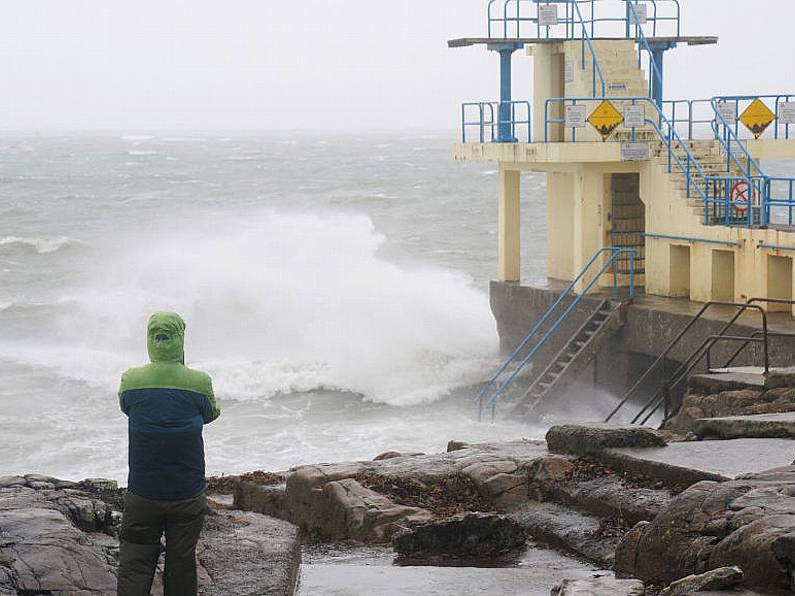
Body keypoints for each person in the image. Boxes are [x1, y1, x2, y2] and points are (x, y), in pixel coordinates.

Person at [116, 312, 220, 596]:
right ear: (180, 339)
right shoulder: (199, 382)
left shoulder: (132, 379)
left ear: (150, 339)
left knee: (134, 562)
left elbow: (127, 407)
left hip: (142, 492)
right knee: (182, 562)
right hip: (187, 492)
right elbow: (211, 413)